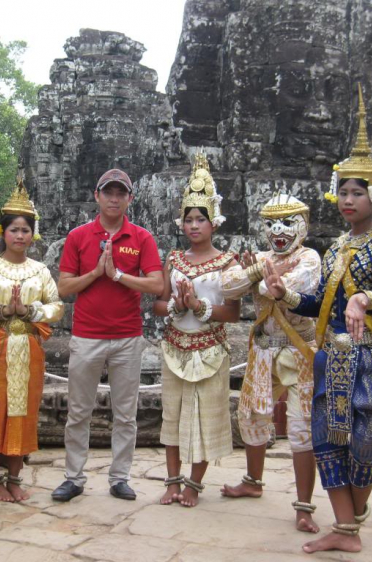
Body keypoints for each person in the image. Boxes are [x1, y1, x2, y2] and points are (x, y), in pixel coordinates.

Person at [262, 85, 372, 554]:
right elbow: (320, 303)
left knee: (367, 442)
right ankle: (345, 528)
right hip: (333, 357)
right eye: (343, 192)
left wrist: (366, 300)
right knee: (327, 440)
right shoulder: (335, 247)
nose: (348, 199)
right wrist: (285, 293)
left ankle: (353, 517)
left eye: (357, 192)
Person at [52, 169, 164, 502]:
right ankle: (74, 477)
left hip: (127, 337)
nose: (114, 198)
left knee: (126, 413)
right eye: (108, 192)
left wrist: (117, 276)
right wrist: (96, 272)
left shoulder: (141, 238)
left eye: (121, 193)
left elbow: (156, 285)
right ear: (97, 196)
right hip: (87, 335)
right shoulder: (79, 237)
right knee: (78, 410)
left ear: (130, 199)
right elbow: (64, 287)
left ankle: (119, 477)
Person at [221, 192, 321, 533]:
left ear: (303, 225)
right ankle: (253, 480)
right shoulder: (262, 256)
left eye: (287, 223)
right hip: (263, 349)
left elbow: (289, 287)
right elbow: (227, 286)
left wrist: (259, 276)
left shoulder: (310, 257)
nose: (278, 230)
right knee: (250, 415)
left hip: (300, 351)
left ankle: (304, 506)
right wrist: (258, 272)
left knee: (300, 427)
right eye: (271, 224)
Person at [0, 179, 64, 502]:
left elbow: (57, 307)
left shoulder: (40, 271)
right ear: (1, 232)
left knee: (23, 413)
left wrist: (31, 310)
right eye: (14, 230)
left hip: (29, 348)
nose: (20, 236)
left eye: (25, 230)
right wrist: (3, 310)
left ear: (33, 234)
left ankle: (15, 476)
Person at [153, 154, 239, 508]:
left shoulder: (227, 262)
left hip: (210, 349)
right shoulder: (173, 259)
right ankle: (171, 481)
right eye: (188, 219)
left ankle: (194, 484)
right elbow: (158, 304)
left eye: (200, 219)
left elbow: (232, 313)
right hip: (176, 346)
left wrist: (200, 307)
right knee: (171, 414)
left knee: (204, 417)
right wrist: (176, 305)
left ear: (213, 223)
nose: (193, 225)